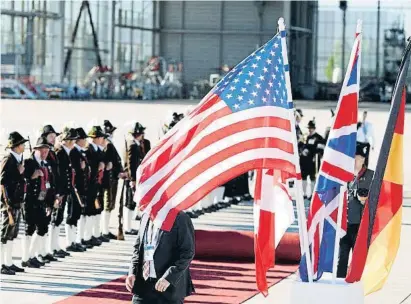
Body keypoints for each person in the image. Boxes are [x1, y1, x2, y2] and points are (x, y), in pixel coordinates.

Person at [125, 211, 195, 304]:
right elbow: (138, 248)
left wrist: (169, 277)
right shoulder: (146, 216)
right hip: (144, 284)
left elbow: (187, 252)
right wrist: (132, 272)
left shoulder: (179, 217)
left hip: (168, 286)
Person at [337, 143, 374, 278]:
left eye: (358, 158)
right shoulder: (345, 175)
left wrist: (365, 200)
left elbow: (378, 199)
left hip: (360, 225)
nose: (355, 161)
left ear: (364, 159)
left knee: (359, 260)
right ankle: (340, 285)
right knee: (342, 259)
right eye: (353, 158)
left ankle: (358, 284)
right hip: (345, 224)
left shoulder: (371, 176)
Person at [21, 136, 56, 268]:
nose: (44, 153)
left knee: (42, 228)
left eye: (46, 151)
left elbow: (49, 185)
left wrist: (50, 203)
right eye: (42, 150)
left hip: (42, 201)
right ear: (36, 150)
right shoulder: (28, 163)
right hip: (30, 201)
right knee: (29, 229)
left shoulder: (46, 165)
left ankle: (32, 255)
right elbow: (21, 181)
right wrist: (31, 176)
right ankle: (26, 258)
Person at [1, 132, 28, 275]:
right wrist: (7, 204)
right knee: (5, 233)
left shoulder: (17, 159)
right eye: (22, 144)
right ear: (16, 146)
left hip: (16, 201)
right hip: (9, 203)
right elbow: (2, 182)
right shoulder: (8, 159)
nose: (24, 146)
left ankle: (9, 262)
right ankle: (2, 264)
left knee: (12, 233)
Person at [55, 128, 84, 253]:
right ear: (66, 140)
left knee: (61, 217)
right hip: (60, 191)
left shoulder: (67, 152)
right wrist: (59, 192)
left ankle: (64, 244)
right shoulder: (60, 153)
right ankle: (53, 248)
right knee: (56, 219)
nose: (73, 142)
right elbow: (59, 175)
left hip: (66, 189)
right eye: (71, 140)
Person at [41, 125, 66, 259]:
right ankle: (43, 251)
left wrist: (59, 192)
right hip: (46, 192)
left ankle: (51, 248)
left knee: (54, 220)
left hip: (55, 191)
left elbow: (57, 174)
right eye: (51, 136)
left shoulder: (53, 151)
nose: (53, 138)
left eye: (54, 136)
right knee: (44, 223)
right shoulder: (44, 152)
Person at [101, 120, 126, 239]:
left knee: (110, 205)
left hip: (113, 177)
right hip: (110, 178)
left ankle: (105, 229)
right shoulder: (108, 145)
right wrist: (118, 172)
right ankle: (104, 230)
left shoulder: (109, 144)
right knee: (107, 204)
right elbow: (110, 163)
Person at [84, 126, 107, 247]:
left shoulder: (98, 150)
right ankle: (87, 236)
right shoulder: (89, 150)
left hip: (96, 183)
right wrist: (98, 166)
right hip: (90, 184)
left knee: (95, 210)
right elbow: (88, 167)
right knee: (90, 211)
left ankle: (93, 234)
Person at [71, 128, 91, 249]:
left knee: (80, 214)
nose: (85, 141)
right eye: (84, 139)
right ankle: (73, 241)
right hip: (76, 187)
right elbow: (74, 170)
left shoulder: (81, 152)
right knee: (73, 215)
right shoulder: (74, 152)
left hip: (83, 187)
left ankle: (79, 239)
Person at [123, 122, 145, 235]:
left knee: (131, 202)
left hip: (134, 178)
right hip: (132, 179)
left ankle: (128, 226)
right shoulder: (132, 145)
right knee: (129, 203)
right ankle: (127, 227)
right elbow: (131, 164)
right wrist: (133, 180)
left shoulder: (134, 144)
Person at [300, 120, 325, 199]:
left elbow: (321, 150)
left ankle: (312, 194)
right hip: (305, 161)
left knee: (312, 178)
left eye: (311, 128)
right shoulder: (308, 137)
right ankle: (304, 194)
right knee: (303, 177)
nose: (310, 130)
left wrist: (315, 155)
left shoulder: (319, 137)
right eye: (309, 128)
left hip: (313, 162)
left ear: (314, 128)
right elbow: (306, 146)